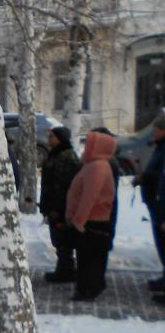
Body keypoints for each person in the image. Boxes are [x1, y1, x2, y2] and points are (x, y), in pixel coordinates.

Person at [66, 129, 118, 302]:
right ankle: (90, 287)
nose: (86, 146)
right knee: (90, 257)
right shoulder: (95, 164)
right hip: (92, 220)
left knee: (89, 258)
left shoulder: (98, 167)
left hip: (92, 221)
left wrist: (79, 221)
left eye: (89, 143)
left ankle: (88, 289)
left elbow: (89, 196)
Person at [39, 126, 81, 283]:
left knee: (63, 239)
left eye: (52, 137)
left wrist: (57, 208)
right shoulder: (56, 154)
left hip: (60, 207)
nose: (49, 139)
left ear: (60, 138)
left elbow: (64, 186)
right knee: (59, 239)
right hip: (54, 205)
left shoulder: (66, 156)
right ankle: (64, 267)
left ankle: (66, 269)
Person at [133, 113, 165, 293]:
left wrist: (145, 177)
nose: (154, 132)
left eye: (157, 129)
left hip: (161, 204)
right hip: (156, 202)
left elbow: (160, 177)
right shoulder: (159, 147)